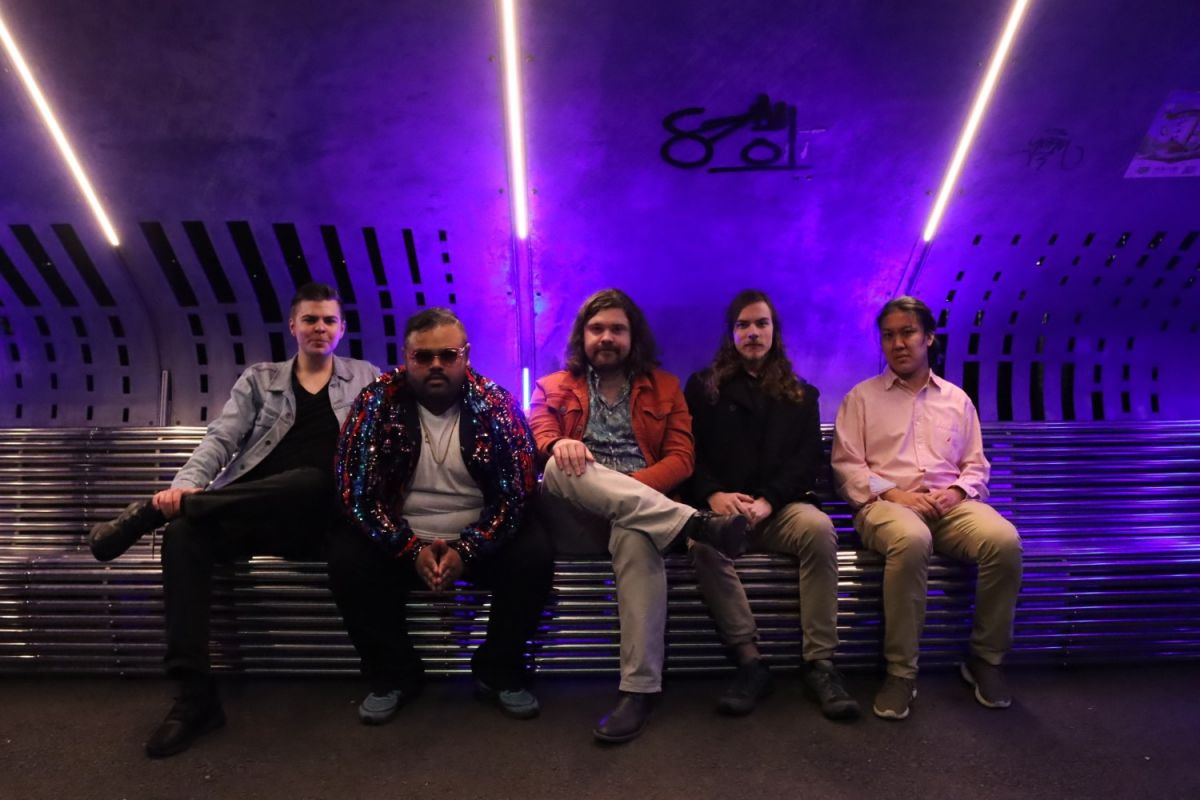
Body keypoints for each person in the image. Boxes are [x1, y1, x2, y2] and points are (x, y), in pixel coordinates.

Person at [87, 282, 379, 757]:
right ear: (293, 326)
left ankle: (150, 515)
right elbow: (220, 440)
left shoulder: (366, 377)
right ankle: (194, 699)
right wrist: (184, 486)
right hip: (252, 510)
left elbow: (379, 446)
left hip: (323, 517)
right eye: (310, 319)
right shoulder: (260, 380)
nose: (319, 328)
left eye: (328, 320)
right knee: (183, 536)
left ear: (342, 329)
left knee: (311, 479)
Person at [529, 288, 748, 743]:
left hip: (638, 517)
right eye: (597, 329)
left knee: (635, 530)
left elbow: (682, 458)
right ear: (582, 336)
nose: (606, 337)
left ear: (633, 337)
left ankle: (639, 690)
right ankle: (693, 524)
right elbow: (539, 436)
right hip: (573, 516)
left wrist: (627, 496)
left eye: (617, 329)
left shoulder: (666, 387)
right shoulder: (552, 386)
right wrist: (558, 444)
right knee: (558, 465)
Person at [328, 307, 552, 725]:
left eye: (447, 355)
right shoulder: (375, 402)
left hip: (481, 537)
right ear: (405, 357)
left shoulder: (495, 403)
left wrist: (468, 549)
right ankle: (396, 674)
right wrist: (409, 548)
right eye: (423, 356)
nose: (436, 365)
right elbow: (354, 492)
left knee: (534, 552)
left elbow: (517, 495)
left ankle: (498, 671)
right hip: (401, 537)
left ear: (465, 356)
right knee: (346, 556)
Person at [831, 295, 1023, 720]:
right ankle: (901, 671)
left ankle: (984, 660)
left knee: (1004, 541)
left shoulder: (957, 400)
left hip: (949, 506)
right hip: (885, 505)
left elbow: (976, 466)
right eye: (888, 336)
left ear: (928, 338)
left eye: (907, 333)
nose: (898, 343)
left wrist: (956, 492)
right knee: (912, 538)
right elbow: (848, 468)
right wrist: (897, 494)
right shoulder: (861, 399)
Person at [684, 290, 859, 720]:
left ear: (774, 332)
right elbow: (690, 453)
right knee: (701, 545)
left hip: (780, 508)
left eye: (761, 323)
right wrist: (713, 495)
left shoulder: (802, 394)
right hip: (723, 507)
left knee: (819, 530)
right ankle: (751, 661)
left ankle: (820, 663)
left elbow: (806, 462)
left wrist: (769, 500)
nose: (753, 332)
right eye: (743, 324)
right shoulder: (704, 387)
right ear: (731, 334)